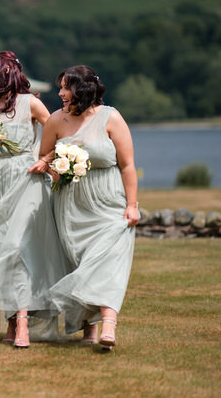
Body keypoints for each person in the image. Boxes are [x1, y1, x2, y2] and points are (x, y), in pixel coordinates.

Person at [29, 65, 139, 351]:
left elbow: (127, 166)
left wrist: (132, 205)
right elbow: (45, 157)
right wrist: (54, 167)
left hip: (108, 201)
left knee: (108, 261)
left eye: (66, 87)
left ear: (83, 89)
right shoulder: (55, 120)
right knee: (79, 262)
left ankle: (109, 325)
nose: (61, 93)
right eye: (61, 87)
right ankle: (88, 329)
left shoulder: (111, 117)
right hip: (70, 203)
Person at [0, 51, 68, 348]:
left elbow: (58, 135)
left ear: (6, 70)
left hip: (25, 177)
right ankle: (10, 320)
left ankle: (22, 320)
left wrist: (44, 160)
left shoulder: (31, 103)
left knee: (19, 246)